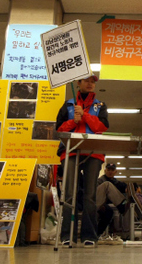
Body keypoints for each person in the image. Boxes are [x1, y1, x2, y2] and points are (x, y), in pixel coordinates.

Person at [55, 75, 108, 248]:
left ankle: (89, 236)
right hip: (70, 152)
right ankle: (67, 235)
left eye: (93, 81)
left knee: (90, 195)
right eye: (86, 80)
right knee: (69, 194)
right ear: (78, 83)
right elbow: (59, 129)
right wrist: (73, 121)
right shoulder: (68, 104)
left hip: (93, 153)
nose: (90, 83)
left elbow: (102, 126)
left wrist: (84, 115)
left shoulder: (100, 105)